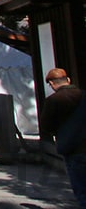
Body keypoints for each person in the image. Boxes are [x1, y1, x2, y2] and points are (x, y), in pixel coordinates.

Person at [42, 68, 86, 208]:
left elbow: (46, 126)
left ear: (52, 84)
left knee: (82, 188)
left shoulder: (53, 101)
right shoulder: (84, 95)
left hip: (72, 147)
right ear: (68, 80)